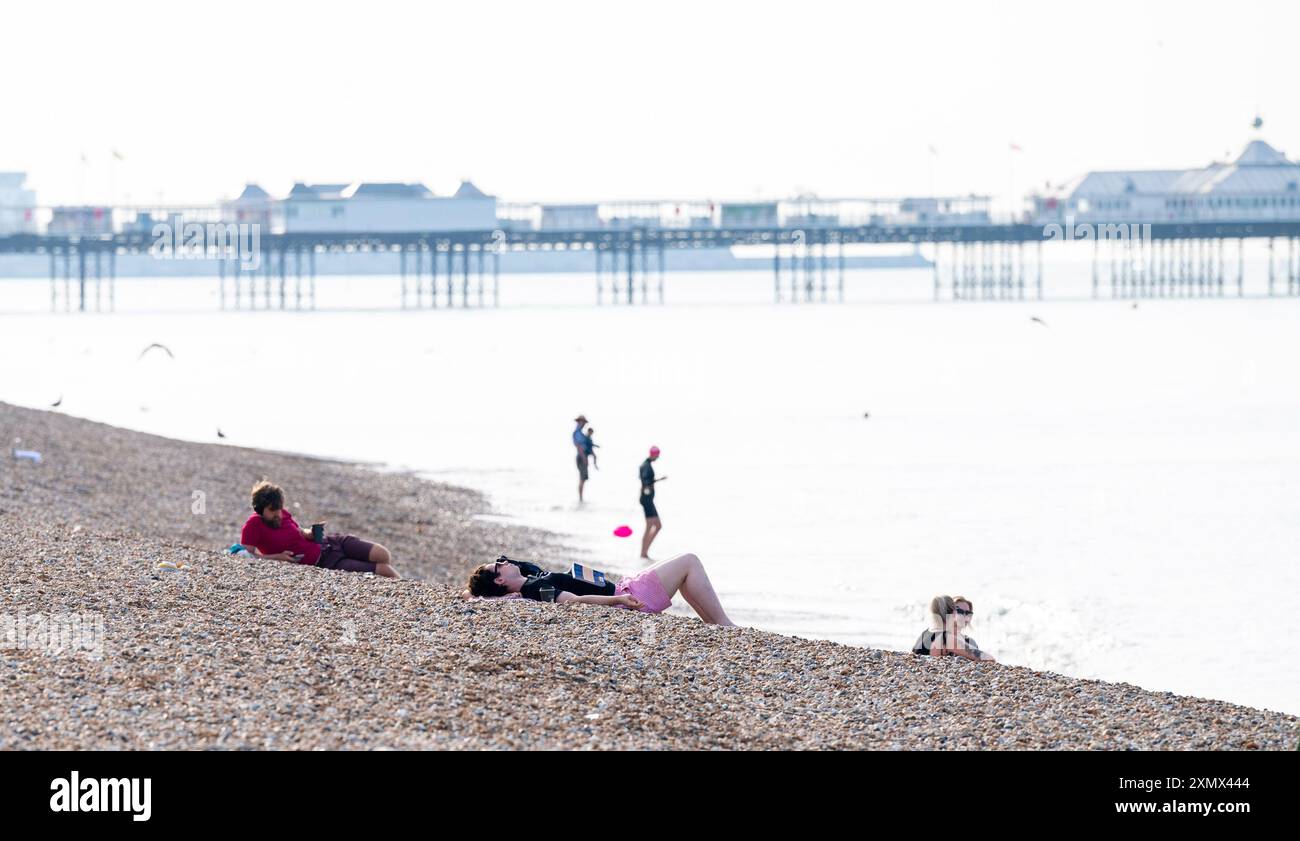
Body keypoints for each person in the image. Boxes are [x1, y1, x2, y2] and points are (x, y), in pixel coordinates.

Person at [465, 552, 735, 626]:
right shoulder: (536, 588)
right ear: (500, 580)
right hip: (628, 597)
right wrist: (618, 599)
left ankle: (716, 623)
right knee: (689, 561)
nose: (504, 560)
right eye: (499, 564)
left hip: (624, 587)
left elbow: (472, 593)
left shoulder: (531, 575)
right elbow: (573, 602)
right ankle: (722, 623)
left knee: (684, 566)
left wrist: (477, 595)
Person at [238, 481, 400, 579]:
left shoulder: (282, 514)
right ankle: (409, 595)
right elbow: (245, 556)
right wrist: (277, 557)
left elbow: (297, 531)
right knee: (384, 570)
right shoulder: (253, 525)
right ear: (260, 508)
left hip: (331, 543)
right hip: (325, 562)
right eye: (273, 511)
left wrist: (309, 533)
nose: (278, 514)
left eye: (279, 509)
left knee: (383, 554)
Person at [911, 595, 994, 662]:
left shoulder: (926, 633)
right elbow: (988, 658)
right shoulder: (946, 638)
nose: (963, 616)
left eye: (968, 613)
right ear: (954, 612)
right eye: (959, 611)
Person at [638, 445, 665, 558]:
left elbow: (647, 480)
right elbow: (645, 481)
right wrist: (648, 487)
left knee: (655, 525)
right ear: (654, 454)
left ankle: (644, 552)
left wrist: (658, 480)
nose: (658, 457)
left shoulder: (646, 464)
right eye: (657, 455)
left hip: (647, 499)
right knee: (652, 525)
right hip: (647, 499)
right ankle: (643, 552)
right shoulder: (646, 466)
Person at [572, 415, 593, 501]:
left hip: (582, 456)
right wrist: (584, 457)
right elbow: (578, 446)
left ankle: (581, 498)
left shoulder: (580, 433)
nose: (584, 424)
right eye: (582, 422)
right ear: (579, 422)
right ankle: (580, 498)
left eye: (584, 422)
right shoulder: (577, 432)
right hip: (581, 457)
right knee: (582, 478)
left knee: (583, 478)